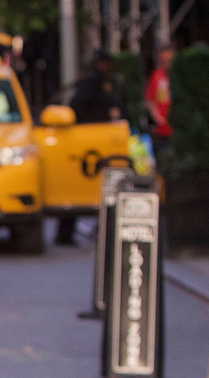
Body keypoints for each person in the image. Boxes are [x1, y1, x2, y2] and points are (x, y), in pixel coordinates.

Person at [57, 49, 128, 244]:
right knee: (76, 188)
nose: (108, 67)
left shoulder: (108, 82)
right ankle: (66, 233)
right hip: (88, 141)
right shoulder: (92, 83)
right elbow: (77, 104)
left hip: (100, 141)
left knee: (98, 188)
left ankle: (98, 229)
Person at [145, 46, 174, 152]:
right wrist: (158, 117)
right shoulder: (156, 76)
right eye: (163, 61)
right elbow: (149, 100)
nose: (167, 64)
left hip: (178, 130)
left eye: (169, 61)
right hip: (161, 131)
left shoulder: (179, 77)